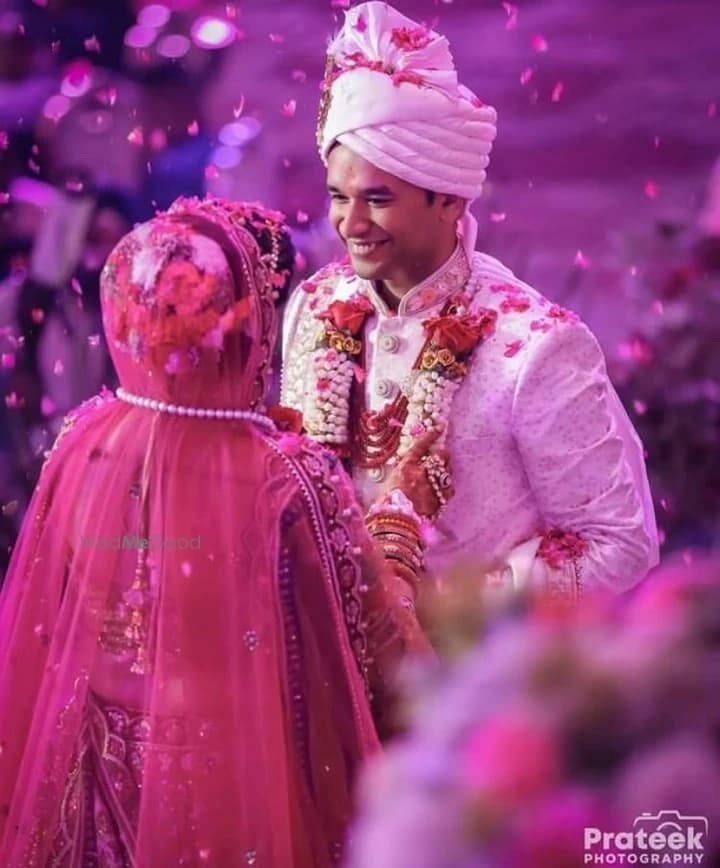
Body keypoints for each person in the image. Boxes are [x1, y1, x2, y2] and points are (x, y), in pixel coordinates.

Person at [0, 195, 434, 867]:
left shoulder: (83, 444)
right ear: (247, 326)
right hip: (235, 795)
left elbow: (42, 630)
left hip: (93, 785)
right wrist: (400, 524)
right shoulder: (287, 478)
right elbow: (381, 663)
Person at [282, 1, 659, 599]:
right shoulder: (314, 305)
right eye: (338, 196)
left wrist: (449, 608)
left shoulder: (533, 346)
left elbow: (620, 544)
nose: (350, 224)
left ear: (450, 201)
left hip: (470, 654)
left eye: (377, 199)